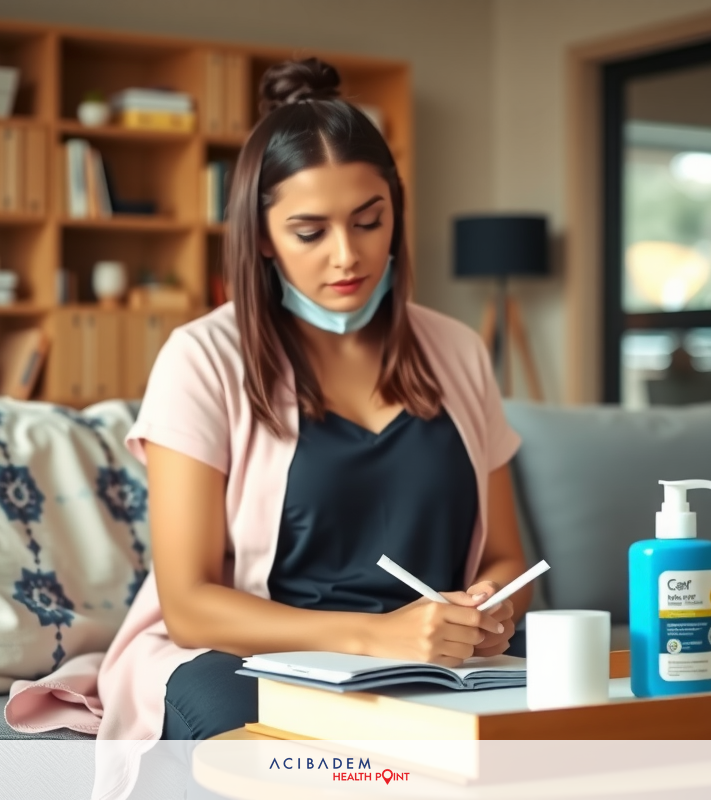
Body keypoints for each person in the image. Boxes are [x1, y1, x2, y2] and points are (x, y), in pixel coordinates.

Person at [113, 56, 532, 746]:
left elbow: (510, 558)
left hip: (436, 660)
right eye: (311, 232)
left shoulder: (456, 350)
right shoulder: (202, 360)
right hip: (249, 658)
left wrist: (491, 609)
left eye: (370, 222)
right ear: (264, 239)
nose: (347, 256)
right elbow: (189, 606)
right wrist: (378, 637)